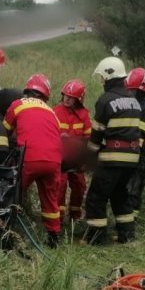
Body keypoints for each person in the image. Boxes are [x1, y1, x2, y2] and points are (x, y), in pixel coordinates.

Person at [82, 56, 142, 245]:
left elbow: (97, 133)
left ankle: (97, 238)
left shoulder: (106, 100)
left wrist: (89, 156)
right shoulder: (133, 100)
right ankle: (127, 235)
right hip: (132, 159)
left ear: (109, 76)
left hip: (111, 158)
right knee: (120, 196)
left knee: (96, 197)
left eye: (103, 78)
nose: (102, 82)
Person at [3, 74, 63, 247]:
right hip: (54, 160)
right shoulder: (52, 111)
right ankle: (53, 238)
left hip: (30, 158)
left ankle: (7, 232)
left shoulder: (18, 104)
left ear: (27, 90)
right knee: (50, 199)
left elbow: (4, 131)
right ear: (45, 95)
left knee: (14, 194)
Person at [52, 79, 92, 222]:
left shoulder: (84, 115)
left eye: (72, 97)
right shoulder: (55, 112)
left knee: (80, 186)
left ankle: (75, 217)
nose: (67, 99)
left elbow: (88, 138)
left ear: (78, 99)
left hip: (76, 158)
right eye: (66, 95)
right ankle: (58, 218)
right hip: (60, 157)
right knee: (60, 186)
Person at [125, 67, 145, 217]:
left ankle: (132, 221)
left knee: (134, 186)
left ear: (141, 89)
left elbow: (139, 136)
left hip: (141, 152)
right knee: (127, 186)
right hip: (132, 149)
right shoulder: (135, 102)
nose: (129, 93)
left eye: (132, 90)